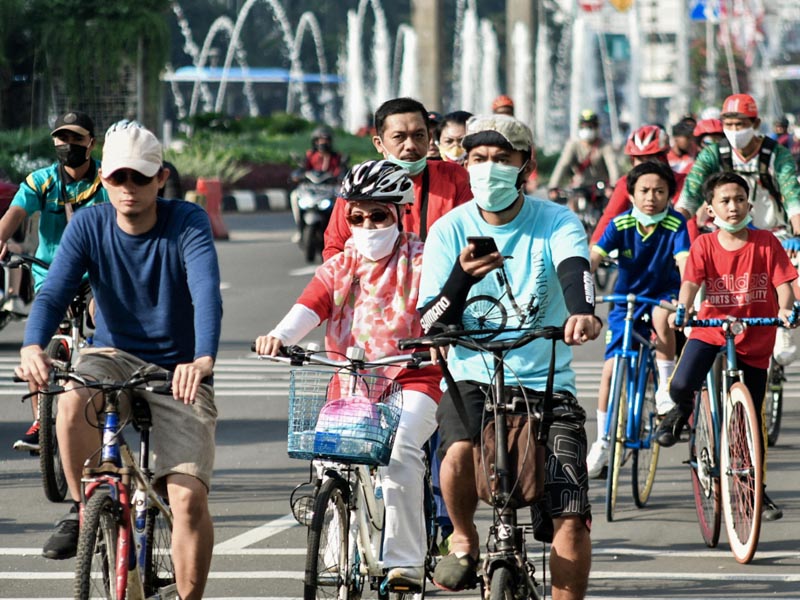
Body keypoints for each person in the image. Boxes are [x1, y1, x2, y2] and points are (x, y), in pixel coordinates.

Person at [15, 121, 222, 600]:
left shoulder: (186, 222)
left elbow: (206, 293)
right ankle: (90, 509)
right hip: (110, 356)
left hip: (179, 368)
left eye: (140, 178)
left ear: (160, 179)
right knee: (68, 402)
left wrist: (203, 359)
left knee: (188, 500)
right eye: (118, 178)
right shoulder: (90, 223)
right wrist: (31, 345)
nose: (128, 189)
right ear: (102, 179)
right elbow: (53, 295)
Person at [417, 114, 601, 596]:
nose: (489, 168)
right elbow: (430, 321)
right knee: (456, 450)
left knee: (571, 518)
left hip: (548, 381)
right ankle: (463, 535)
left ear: (526, 165)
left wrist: (582, 313)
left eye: (502, 159)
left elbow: (575, 267)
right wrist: (462, 278)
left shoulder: (555, 220)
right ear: (464, 163)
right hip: (472, 374)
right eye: (478, 158)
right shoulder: (448, 230)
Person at [256, 159, 441, 589]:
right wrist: (278, 336)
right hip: (352, 381)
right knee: (327, 462)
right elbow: (311, 303)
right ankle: (337, 553)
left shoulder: (425, 258)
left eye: (378, 215)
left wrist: (440, 338)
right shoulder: (345, 263)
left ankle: (405, 564)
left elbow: (441, 307)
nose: (367, 224)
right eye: (357, 216)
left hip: (412, 379)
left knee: (398, 457)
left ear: (400, 213)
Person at [656, 171, 797, 521]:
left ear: (749, 204)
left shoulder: (766, 242)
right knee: (680, 383)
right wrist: (684, 310)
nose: (732, 207)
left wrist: (786, 309)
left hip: (755, 335)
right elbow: (690, 283)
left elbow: (784, 286)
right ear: (710, 208)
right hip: (710, 330)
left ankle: (756, 490)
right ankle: (680, 413)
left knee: (751, 422)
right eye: (724, 201)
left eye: (739, 200)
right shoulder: (704, 245)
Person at [1, 110, 109, 452]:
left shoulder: (108, 180)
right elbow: (13, 216)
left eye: (76, 138)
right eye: (62, 138)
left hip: (97, 274)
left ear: (91, 143)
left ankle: (107, 387)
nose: (68, 145)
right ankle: (39, 421)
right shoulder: (41, 181)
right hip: (53, 275)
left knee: (100, 317)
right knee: (39, 341)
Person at [676, 93, 800, 366]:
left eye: (740, 124)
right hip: (721, 230)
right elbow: (691, 191)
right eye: (728, 125)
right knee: (695, 262)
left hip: (772, 233)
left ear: (755, 123)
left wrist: (798, 229)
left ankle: (784, 322)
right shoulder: (714, 154)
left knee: (789, 274)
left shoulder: (775, 155)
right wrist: (674, 222)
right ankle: (694, 317)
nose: (733, 131)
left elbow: (792, 195)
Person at [586, 161, 690, 477]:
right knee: (610, 371)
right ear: (631, 194)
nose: (651, 197)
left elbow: (685, 263)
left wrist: (686, 301)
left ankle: (663, 390)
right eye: (644, 190)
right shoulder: (620, 225)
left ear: (670, 195)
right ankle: (603, 441)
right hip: (625, 301)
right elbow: (595, 255)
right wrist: (582, 278)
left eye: (660, 191)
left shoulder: (676, 224)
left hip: (663, 294)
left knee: (663, 318)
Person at [323, 97, 472, 259]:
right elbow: (335, 249)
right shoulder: (360, 184)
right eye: (399, 137)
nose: (411, 145)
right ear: (379, 144)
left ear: (429, 138)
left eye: (419, 135)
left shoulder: (454, 176)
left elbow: (470, 238)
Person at [590, 125, 695, 246]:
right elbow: (609, 217)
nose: (645, 165)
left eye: (651, 158)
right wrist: (593, 251)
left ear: (664, 157)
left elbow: (689, 221)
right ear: (632, 161)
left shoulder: (681, 182)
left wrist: (690, 258)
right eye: (639, 159)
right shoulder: (625, 183)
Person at [547, 109, 619, 209]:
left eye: (591, 126)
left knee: (606, 213)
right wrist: (553, 187)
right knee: (570, 214)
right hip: (578, 187)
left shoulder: (604, 146)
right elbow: (563, 165)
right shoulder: (573, 145)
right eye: (584, 126)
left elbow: (613, 166)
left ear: (597, 127)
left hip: (600, 189)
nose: (587, 129)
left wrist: (612, 187)